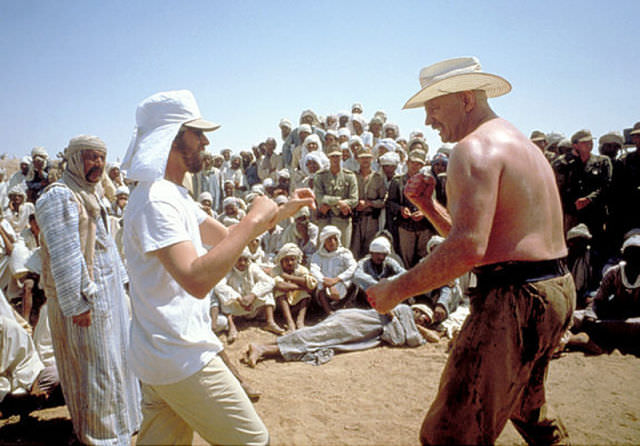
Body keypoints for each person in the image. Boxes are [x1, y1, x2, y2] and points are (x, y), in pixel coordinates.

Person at [366, 57, 574, 445]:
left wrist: (395, 290)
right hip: (553, 289)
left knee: (449, 433)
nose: (428, 121)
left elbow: (466, 249)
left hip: (516, 300)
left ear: (464, 100)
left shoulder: (472, 149)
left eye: (433, 108)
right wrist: (429, 206)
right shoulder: (519, 143)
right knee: (527, 405)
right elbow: (489, 245)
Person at [120, 89, 314, 445]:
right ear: (173, 136)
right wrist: (254, 219)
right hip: (181, 356)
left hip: (161, 356)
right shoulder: (155, 201)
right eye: (197, 133)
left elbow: (226, 237)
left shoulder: (171, 195)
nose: (206, 141)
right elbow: (196, 279)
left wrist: (279, 212)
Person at [36, 135, 141, 445]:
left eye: (101, 158)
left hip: (107, 295)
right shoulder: (60, 196)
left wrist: (122, 287)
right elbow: (65, 254)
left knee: (115, 362)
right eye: (90, 158)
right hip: (83, 301)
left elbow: (106, 246)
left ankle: (121, 426)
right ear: (74, 159)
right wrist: (79, 304)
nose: (97, 164)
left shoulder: (91, 193)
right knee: (93, 370)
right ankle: (99, 436)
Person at [245, 303, 425, 367]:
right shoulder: (404, 310)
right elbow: (406, 340)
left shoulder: (400, 317)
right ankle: (263, 349)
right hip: (351, 324)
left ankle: (264, 347)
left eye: (427, 320)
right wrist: (414, 326)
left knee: (313, 339)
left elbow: (399, 338)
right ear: (416, 310)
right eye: (422, 315)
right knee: (313, 338)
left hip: (352, 327)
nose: (423, 319)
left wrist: (419, 327)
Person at [310, 225, 357, 315]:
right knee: (319, 286)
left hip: (341, 283)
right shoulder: (317, 255)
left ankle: (345, 307)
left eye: (334, 239)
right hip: (325, 284)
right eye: (329, 239)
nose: (332, 242)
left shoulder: (344, 253)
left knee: (355, 280)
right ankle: (329, 313)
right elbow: (314, 270)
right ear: (324, 242)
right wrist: (329, 284)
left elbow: (353, 266)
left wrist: (337, 280)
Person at [271, 243, 317, 331]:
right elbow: (281, 285)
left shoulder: (301, 269)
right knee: (280, 292)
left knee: (304, 294)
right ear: (281, 261)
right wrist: (302, 286)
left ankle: (300, 320)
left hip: (297, 304)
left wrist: (289, 277)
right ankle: (290, 322)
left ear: (297, 260)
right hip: (280, 305)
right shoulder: (276, 270)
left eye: (292, 259)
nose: (290, 263)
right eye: (286, 260)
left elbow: (311, 283)